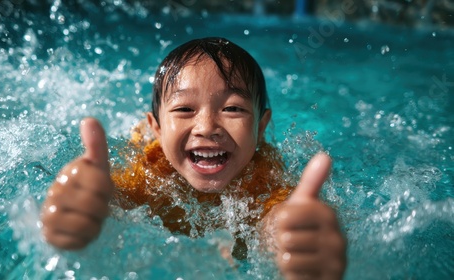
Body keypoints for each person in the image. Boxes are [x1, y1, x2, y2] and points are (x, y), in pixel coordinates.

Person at [41, 37, 346, 279]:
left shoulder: (263, 175)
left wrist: (294, 239)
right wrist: (85, 204)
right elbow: (114, 199)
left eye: (233, 109)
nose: (207, 127)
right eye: (185, 109)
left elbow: (275, 220)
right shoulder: (152, 168)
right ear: (157, 128)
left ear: (261, 127)